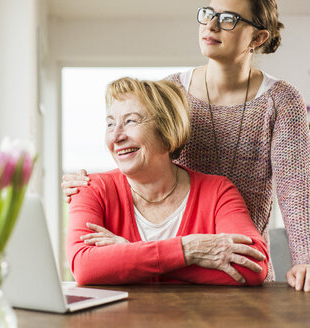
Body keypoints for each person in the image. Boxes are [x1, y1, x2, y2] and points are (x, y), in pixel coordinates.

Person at [62, 0, 310, 291]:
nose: (211, 25)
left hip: (233, 263)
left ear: (257, 38)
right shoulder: (173, 91)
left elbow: (295, 191)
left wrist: (305, 258)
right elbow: (145, 154)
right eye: (208, 14)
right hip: (179, 259)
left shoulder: (280, 101)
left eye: (228, 18)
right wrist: (90, 187)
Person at [67, 77, 268, 286]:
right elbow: (85, 267)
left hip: (199, 318)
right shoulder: (90, 188)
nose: (116, 136)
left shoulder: (218, 191)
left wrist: (131, 254)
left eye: (130, 121)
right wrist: (189, 250)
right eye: (110, 124)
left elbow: (252, 266)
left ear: (166, 129)